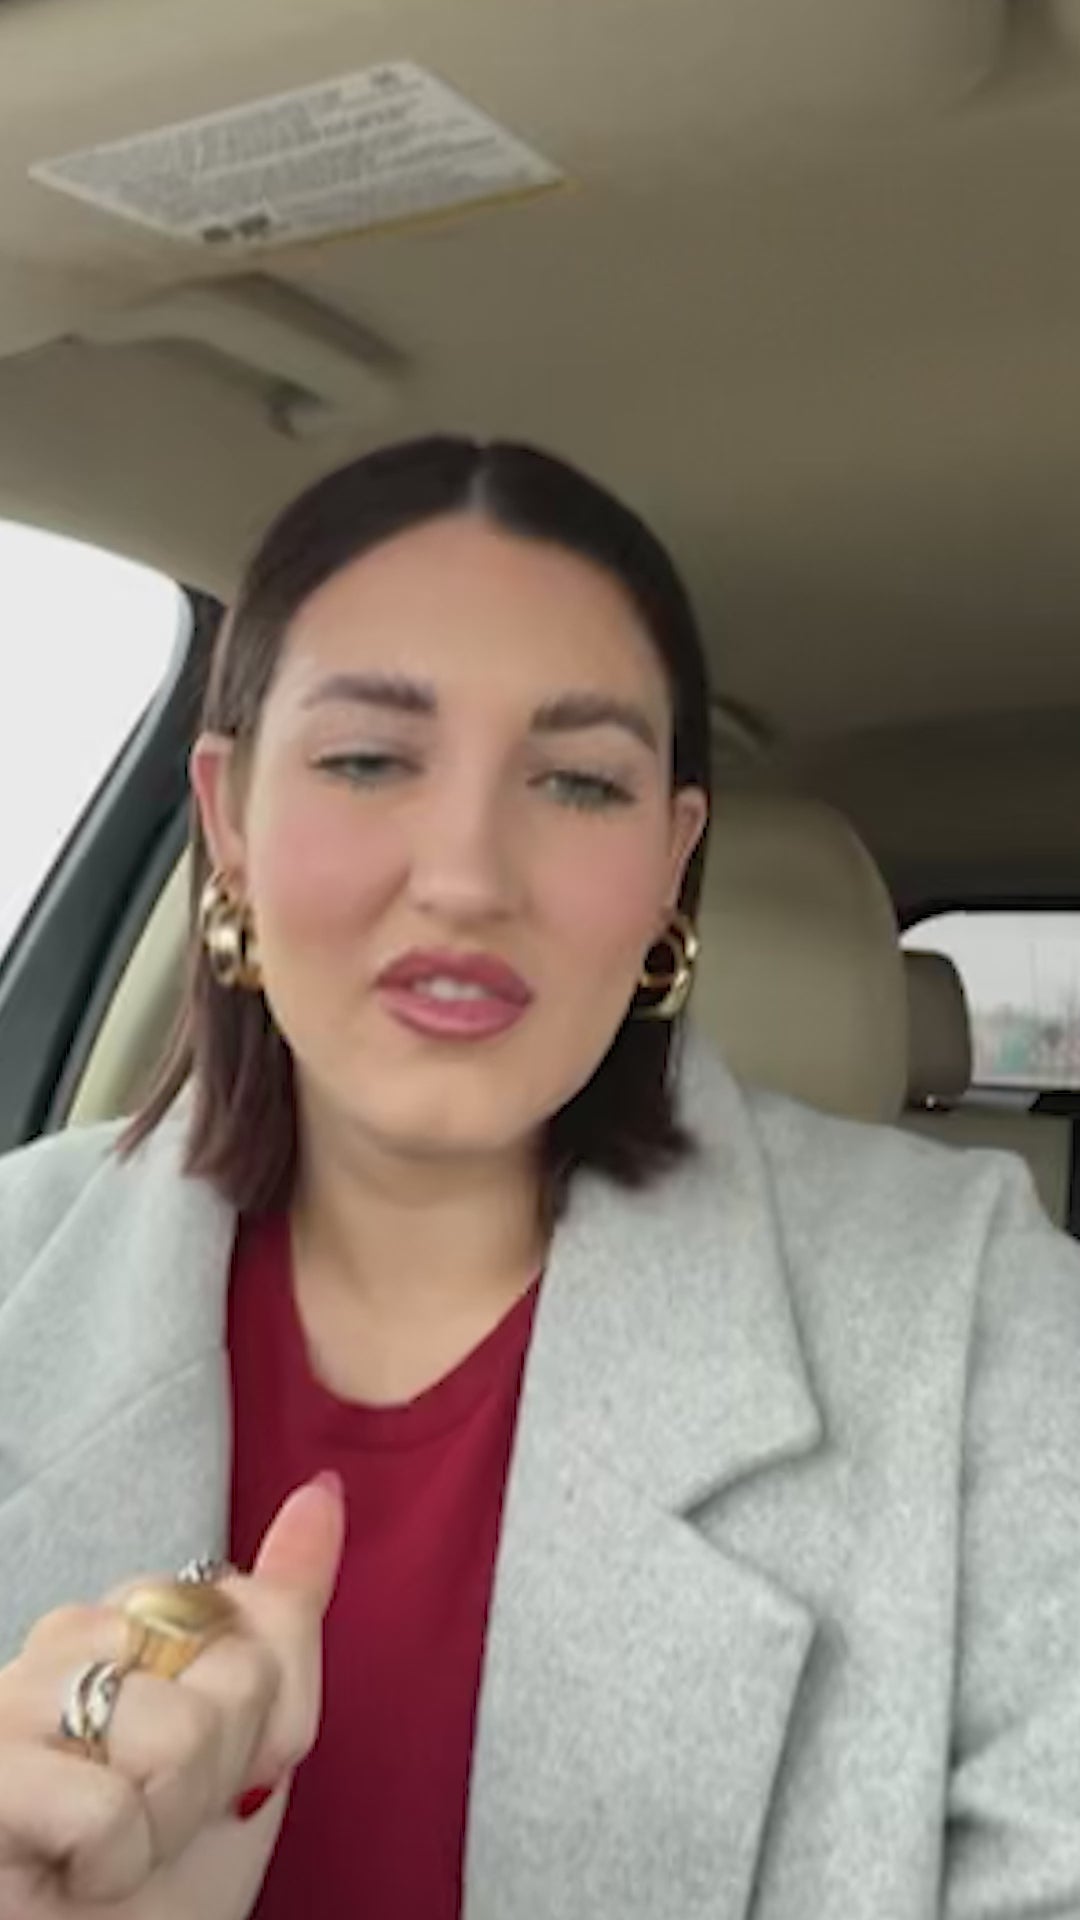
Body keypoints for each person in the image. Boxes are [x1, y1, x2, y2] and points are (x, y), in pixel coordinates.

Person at [0, 436, 1077, 1920]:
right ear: (230, 818)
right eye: (368, 759)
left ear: (670, 866)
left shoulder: (987, 1326)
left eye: (577, 782)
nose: (466, 875)